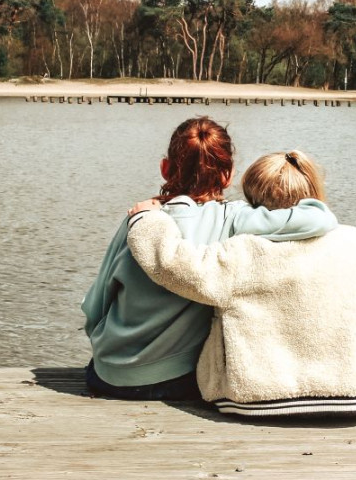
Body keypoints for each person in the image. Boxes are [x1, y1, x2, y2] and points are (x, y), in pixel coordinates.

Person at [126, 150, 356, 417]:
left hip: (258, 400)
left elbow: (173, 264)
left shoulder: (243, 253)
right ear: (314, 194)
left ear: (252, 203)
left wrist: (148, 221)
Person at [82, 119, 338, 401]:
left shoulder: (140, 220)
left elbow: (95, 308)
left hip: (107, 374)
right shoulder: (236, 220)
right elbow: (320, 218)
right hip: (177, 378)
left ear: (165, 168)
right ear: (228, 175)